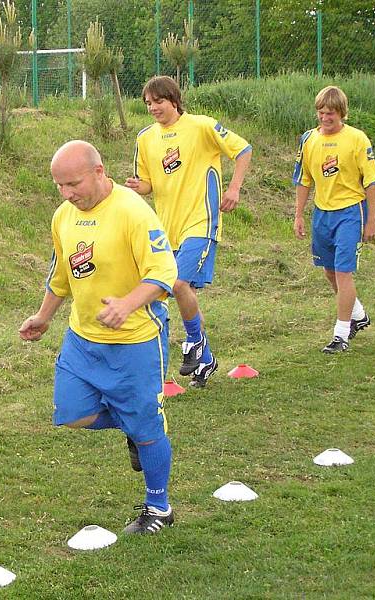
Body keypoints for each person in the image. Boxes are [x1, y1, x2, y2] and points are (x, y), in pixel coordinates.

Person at [19, 140, 178, 535]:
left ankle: (159, 507)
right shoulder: (63, 216)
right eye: (59, 186)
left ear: (99, 171)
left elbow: (163, 273)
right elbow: (61, 276)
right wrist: (43, 316)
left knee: (147, 427)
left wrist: (127, 304)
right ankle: (134, 426)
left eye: (73, 184)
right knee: (71, 413)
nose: (67, 193)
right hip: (82, 338)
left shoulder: (133, 212)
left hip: (136, 341)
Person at [125, 76, 252, 388]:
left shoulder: (202, 126)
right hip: (166, 230)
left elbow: (243, 150)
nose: (153, 108)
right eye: (148, 103)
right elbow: (148, 183)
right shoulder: (145, 139)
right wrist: (135, 187)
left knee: (178, 282)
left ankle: (194, 342)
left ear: (174, 100)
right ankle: (205, 358)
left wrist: (234, 188)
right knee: (175, 290)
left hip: (201, 221)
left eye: (158, 101)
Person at [293, 86, 375, 353]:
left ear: (341, 113)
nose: (325, 118)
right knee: (329, 271)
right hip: (322, 213)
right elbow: (303, 179)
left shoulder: (357, 139)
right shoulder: (309, 139)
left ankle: (341, 334)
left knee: (343, 272)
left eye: (330, 113)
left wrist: (372, 219)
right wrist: (298, 214)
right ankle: (358, 314)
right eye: (321, 112)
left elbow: (372, 180)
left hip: (350, 212)